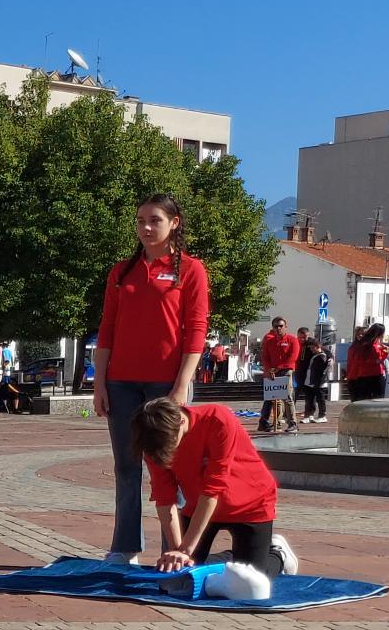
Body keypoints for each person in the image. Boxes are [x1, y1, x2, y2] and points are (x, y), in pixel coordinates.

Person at [92, 193, 208, 563]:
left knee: (165, 465)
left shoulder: (190, 270)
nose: (146, 227)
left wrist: (180, 386)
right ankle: (124, 546)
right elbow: (106, 329)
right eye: (141, 220)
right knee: (126, 465)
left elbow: (196, 331)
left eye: (154, 220)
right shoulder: (121, 272)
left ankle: (172, 548)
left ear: (174, 223)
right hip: (121, 382)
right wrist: (99, 383)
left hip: (164, 384)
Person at [132, 397, 299, 578]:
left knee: (251, 579)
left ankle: (278, 553)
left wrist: (186, 550)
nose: (167, 451)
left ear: (180, 421)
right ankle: (236, 558)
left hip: (250, 505)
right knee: (184, 573)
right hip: (198, 508)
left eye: (171, 444)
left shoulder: (217, 419)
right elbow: (164, 497)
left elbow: (212, 488)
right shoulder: (154, 442)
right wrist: (176, 552)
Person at [256, 316, 300, 435]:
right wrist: (269, 370)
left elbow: (293, 358)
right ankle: (268, 422)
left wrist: (278, 368)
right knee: (270, 397)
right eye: (276, 326)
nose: (278, 328)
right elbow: (265, 357)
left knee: (287, 397)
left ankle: (293, 423)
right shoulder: (269, 342)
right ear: (273, 328)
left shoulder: (292, 340)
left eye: (281, 326)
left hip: (286, 371)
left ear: (285, 326)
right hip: (272, 372)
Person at [345, 324, 389, 402]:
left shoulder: (366, 346)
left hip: (361, 376)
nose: (360, 336)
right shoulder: (359, 347)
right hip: (360, 376)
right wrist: (385, 353)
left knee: (364, 400)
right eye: (358, 334)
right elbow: (376, 359)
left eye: (363, 334)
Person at [298, 335, 332, 423]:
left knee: (320, 399)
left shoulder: (322, 356)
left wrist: (319, 381)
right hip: (310, 380)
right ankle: (309, 415)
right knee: (309, 398)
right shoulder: (316, 356)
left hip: (317, 381)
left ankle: (322, 415)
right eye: (311, 348)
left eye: (313, 348)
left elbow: (323, 371)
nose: (312, 350)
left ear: (318, 347)